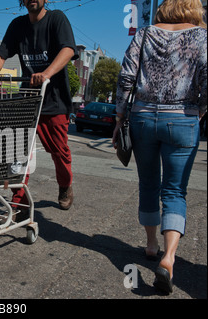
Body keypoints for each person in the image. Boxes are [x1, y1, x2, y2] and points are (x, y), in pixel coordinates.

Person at [113, 0, 206, 294]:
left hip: (141, 117)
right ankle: (168, 258)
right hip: (182, 118)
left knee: (149, 184)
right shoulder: (202, 37)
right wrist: (201, 110)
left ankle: (151, 246)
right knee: (175, 190)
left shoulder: (145, 33)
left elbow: (126, 76)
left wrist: (118, 118)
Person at [0, 0, 78, 213]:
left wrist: (46, 74)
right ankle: (18, 202)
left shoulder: (56, 19)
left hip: (55, 99)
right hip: (30, 99)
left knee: (59, 152)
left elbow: (69, 49)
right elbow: (2, 54)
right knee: (20, 152)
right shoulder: (17, 25)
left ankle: (64, 185)